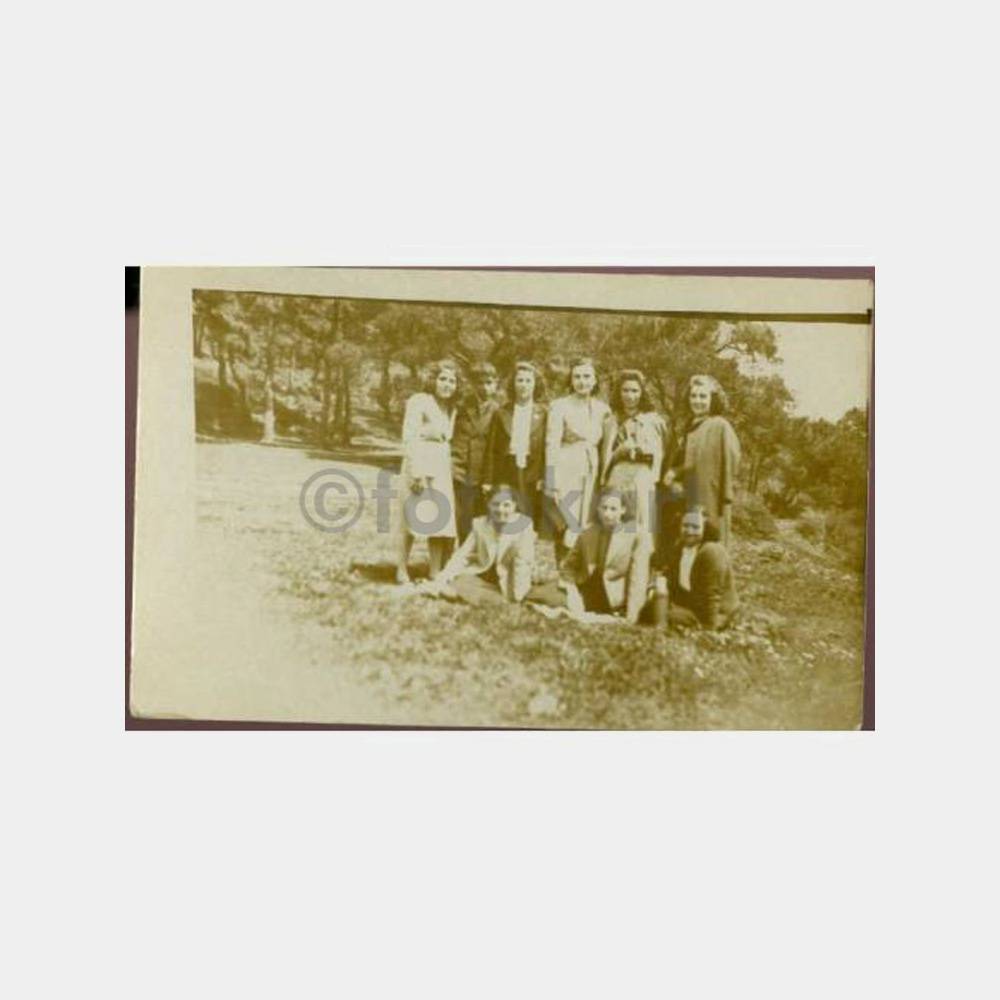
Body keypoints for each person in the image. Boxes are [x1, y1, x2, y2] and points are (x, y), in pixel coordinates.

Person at [527, 490, 652, 624]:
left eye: (613, 509)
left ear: (623, 510)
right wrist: (572, 590)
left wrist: (632, 615)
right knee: (535, 595)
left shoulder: (637, 536)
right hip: (585, 590)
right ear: (598, 508)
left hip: (613, 598)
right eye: (604, 508)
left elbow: (638, 578)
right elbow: (568, 566)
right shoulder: (588, 532)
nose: (607, 514)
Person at [396, 360, 460, 584]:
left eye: (452, 381)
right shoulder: (420, 401)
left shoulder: (451, 408)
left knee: (440, 519)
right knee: (411, 518)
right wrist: (416, 472)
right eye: (443, 379)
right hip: (419, 464)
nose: (447, 385)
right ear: (433, 380)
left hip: (440, 466)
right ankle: (401, 568)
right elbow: (409, 436)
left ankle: (434, 570)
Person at [544, 356, 612, 563]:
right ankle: (562, 566)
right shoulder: (559, 406)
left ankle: (581, 568)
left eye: (587, 377)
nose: (582, 382)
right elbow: (551, 443)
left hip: (591, 468)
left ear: (595, 380)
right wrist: (551, 479)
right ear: (571, 380)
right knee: (567, 518)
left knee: (587, 519)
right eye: (577, 377)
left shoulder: (603, 409)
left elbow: (605, 446)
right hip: (567, 465)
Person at [422, 485, 536, 607]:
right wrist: (442, 578)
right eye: (495, 504)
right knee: (461, 580)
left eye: (506, 505)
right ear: (488, 505)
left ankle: (458, 594)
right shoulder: (480, 524)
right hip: (482, 577)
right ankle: (453, 591)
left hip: (508, 580)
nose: (500, 510)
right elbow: (462, 555)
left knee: (501, 599)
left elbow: (523, 562)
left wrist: (518, 596)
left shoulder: (523, 526)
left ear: (515, 506)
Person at [662, 374, 741, 549]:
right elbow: (685, 460)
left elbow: (731, 462)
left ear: (713, 399)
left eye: (703, 396)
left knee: (709, 543)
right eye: (694, 395)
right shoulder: (687, 426)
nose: (697, 401)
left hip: (710, 496)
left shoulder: (720, 426)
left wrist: (723, 494)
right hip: (684, 495)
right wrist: (674, 472)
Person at [603, 369, 670, 540]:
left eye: (634, 391)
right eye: (625, 390)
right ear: (619, 393)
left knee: (641, 523)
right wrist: (619, 452)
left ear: (642, 393)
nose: (630, 396)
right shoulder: (610, 420)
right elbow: (605, 455)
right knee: (616, 520)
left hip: (642, 477)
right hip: (618, 476)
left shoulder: (654, 420)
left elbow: (663, 452)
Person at [483, 361, 548, 530]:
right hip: (506, 469)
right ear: (513, 384)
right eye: (520, 380)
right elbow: (491, 449)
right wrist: (488, 480)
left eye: (528, 381)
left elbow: (546, 448)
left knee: (528, 516)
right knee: (505, 514)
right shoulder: (501, 412)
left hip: (532, 471)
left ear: (535, 384)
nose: (523, 385)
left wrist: (544, 475)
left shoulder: (544, 413)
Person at [663, 508, 739, 630]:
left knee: (664, 617)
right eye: (685, 526)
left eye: (695, 527)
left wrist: (709, 629)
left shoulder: (711, 551)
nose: (689, 531)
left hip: (717, 613)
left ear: (705, 527)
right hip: (693, 606)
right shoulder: (680, 548)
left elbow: (712, 595)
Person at [451, 361, 500, 542]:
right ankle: (456, 556)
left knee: (482, 522)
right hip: (460, 471)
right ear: (473, 384)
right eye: (480, 383)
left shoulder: (498, 411)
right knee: (460, 520)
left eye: (489, 383)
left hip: (483, 474)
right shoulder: (461, 407)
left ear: (496, 383)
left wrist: (489, 478)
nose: (485, 388)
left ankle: (479, 557)